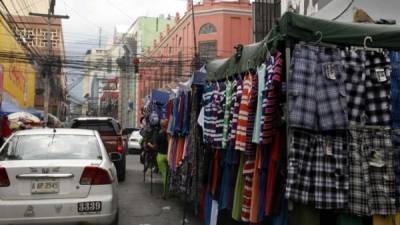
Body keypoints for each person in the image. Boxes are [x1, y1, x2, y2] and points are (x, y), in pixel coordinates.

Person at [147, 119, 169, 198]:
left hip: (160, 156)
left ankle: (165, 193)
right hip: (169, 156)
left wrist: (149, 144)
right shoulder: (169, 135)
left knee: (164, 174)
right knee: (168, 174)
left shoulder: (159, 135)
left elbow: (155, 147)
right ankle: (167, 191)